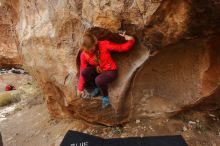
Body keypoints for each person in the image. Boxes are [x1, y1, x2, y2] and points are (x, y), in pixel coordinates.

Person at [77, 32, 135, 108]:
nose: (90, 52)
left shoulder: (104, 44)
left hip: (110, 71)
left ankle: (105, 97)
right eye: (87, 50)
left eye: (91, 49)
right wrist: (80, 88)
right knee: (85, 72)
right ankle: (97, 88)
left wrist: (131, 40)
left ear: (95, 43)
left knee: (99, 80)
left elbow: (121, 48)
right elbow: (82, 70)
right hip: (99, 71)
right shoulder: (84, 54)